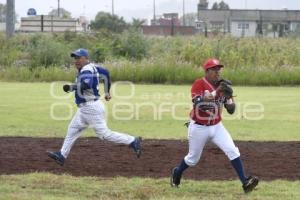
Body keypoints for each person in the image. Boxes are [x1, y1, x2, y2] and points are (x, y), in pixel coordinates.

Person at [170, 58, 259, 193]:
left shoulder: (224, 86)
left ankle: (245, 182)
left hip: (217, 126)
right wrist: (216, 92)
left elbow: (231, 110)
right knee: (193, 159)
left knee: (232, 150)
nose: (218, 72)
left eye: (219, 69)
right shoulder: (199, 84)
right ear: (207, 71)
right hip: (199, 127)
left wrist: (229, 98)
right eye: (214, 69)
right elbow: (199, 103)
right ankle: (177, 172)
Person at [47, 48, 141, 166]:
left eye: (79, 58)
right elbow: (106, 73)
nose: (76, 60)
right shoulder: (93, 67)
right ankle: (62, 155)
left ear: (86, 58)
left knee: (104, 134)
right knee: (73, 129)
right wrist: (106, 92)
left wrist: (72, 87)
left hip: (91, 108)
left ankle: (132, 140)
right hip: (86, 108)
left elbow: (87, 84)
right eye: (75, 58)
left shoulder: (86, 69)